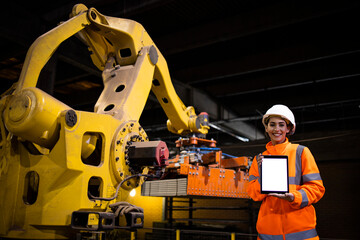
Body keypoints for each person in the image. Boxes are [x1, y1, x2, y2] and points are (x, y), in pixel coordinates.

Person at [247, 104, 325, 240]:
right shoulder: (259, 159)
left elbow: (317, 188)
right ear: (266, 128)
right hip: (268, 234)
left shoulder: (301, 152)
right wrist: (264, 176)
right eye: (272, 124)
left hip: (301, 233)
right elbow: (253, 194)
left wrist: (294, 197)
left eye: (281, 125)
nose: (276, 129)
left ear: (288, 128)